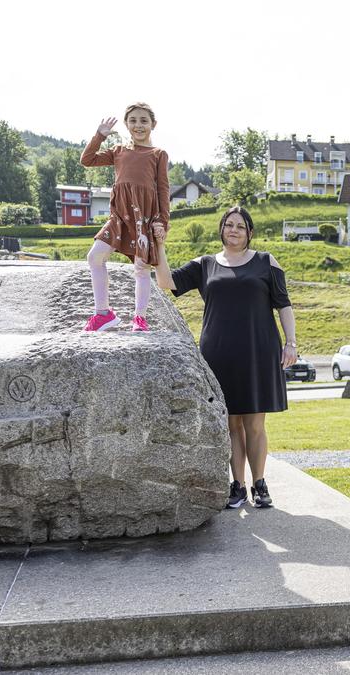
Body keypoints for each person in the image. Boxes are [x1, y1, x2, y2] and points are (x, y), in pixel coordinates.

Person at [153, 206, 297, 509]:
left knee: (255, 424)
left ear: (250, 232)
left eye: (240, 226)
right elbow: (165, 281)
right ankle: (237, 485)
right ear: (221, 229)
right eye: (228, 225)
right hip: (218, 353)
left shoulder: (266, 261)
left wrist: (291, 343)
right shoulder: (205, 264)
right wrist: (160, 245)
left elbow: (284, 305)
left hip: (259, 350)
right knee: (231, 424)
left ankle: (259, 484)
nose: (233, 230)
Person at [80, 102, 170, 332]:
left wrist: (162, 221)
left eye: (143, 120)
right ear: (126, 124)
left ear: (153, 124)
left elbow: (163, 190)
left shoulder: (158, 154)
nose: (138, 125)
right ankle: (103, 314)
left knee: (141, 267)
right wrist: (99, 136)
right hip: (119, 216)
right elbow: (87, 160)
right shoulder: (118, 150)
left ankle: (139, 318)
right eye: (133, 120)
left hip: (144, 217)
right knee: (95, 257)